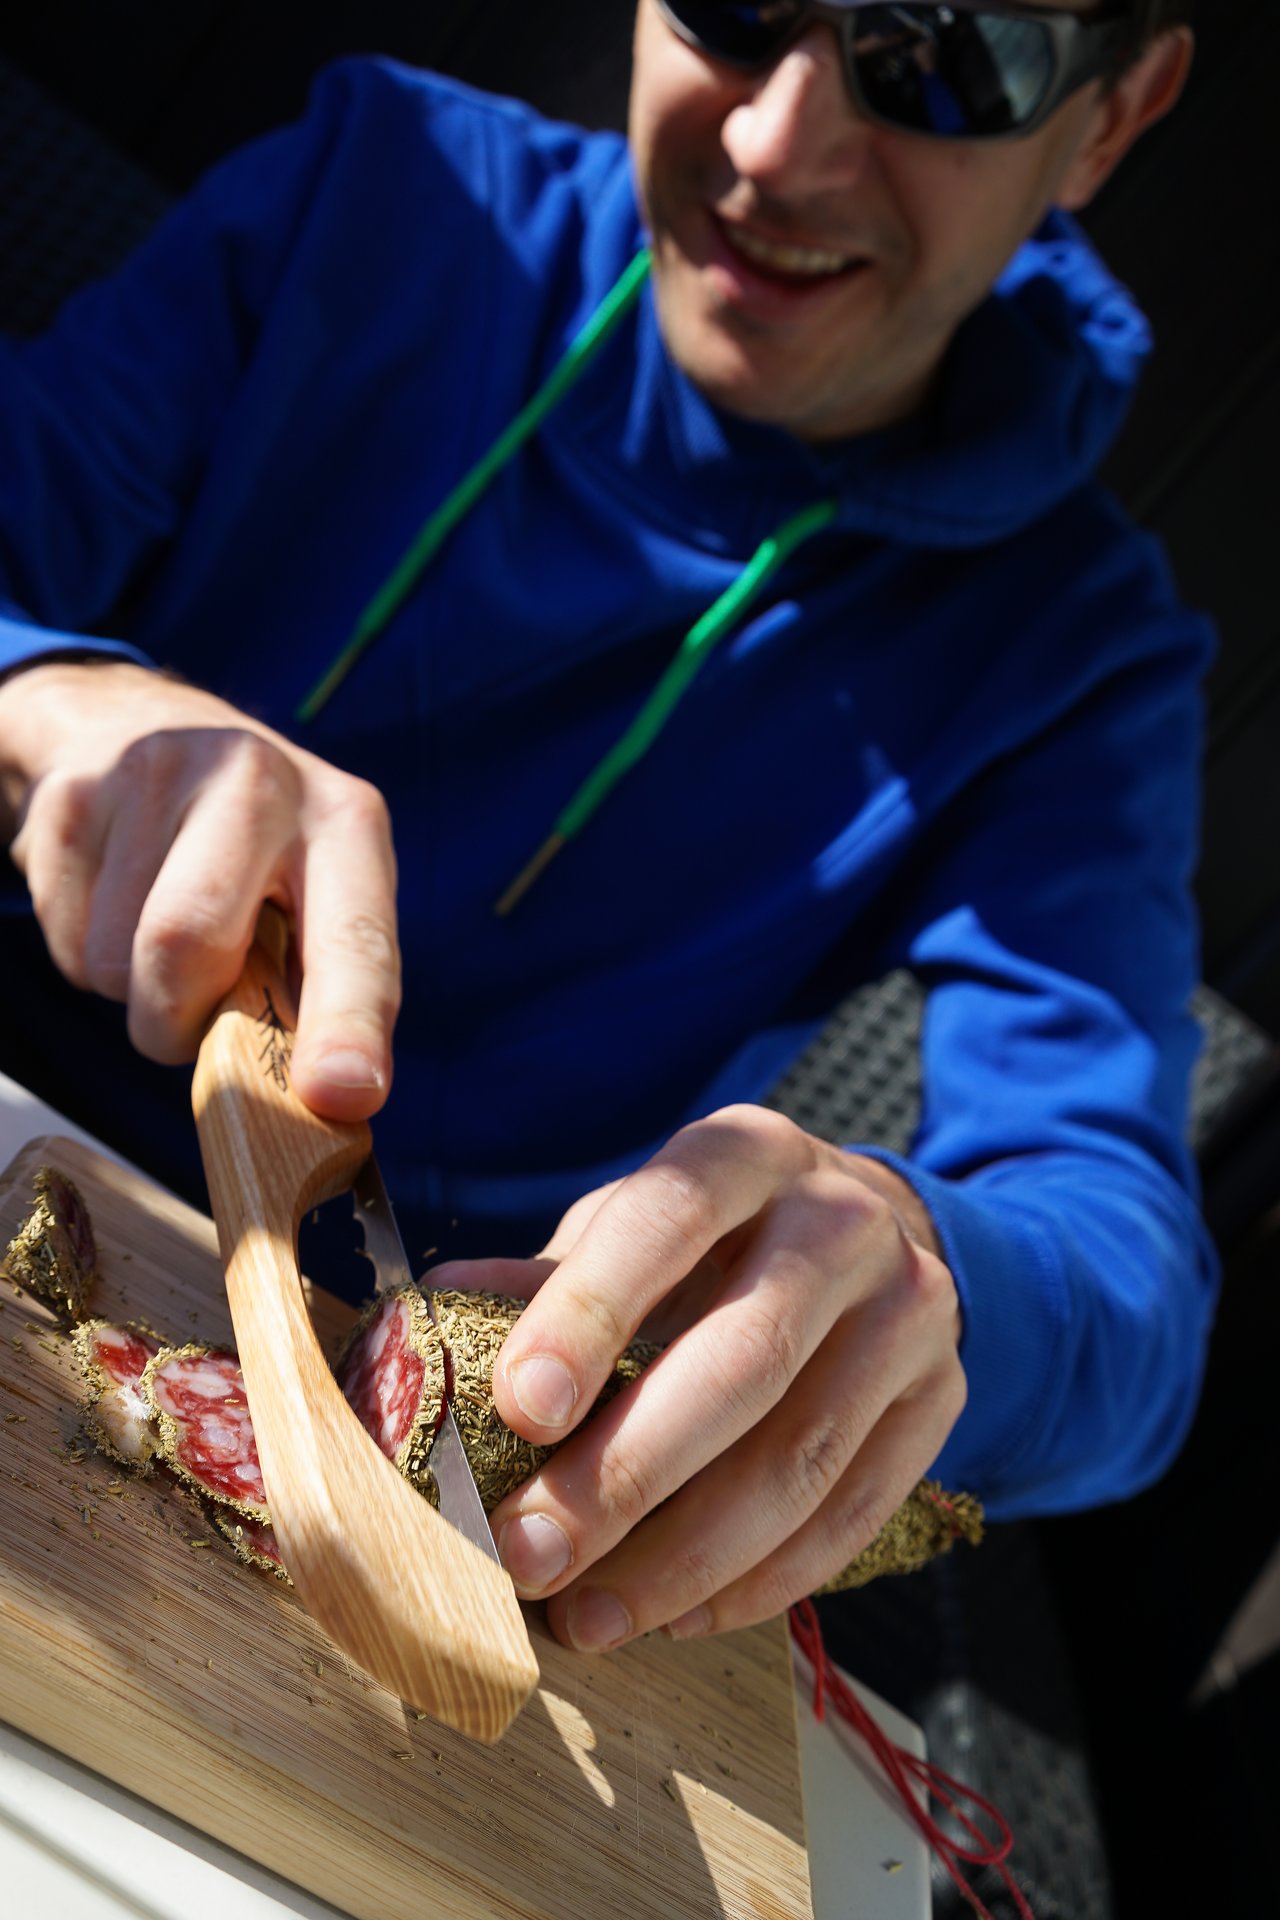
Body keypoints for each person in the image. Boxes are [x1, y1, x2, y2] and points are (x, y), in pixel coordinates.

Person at [0, 0, 1215, 1657]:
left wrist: (927, 1269)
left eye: (945, 54)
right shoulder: (388, 188)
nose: (777, 144)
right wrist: (46, 697)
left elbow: (1126, 1291)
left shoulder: (1072, 661)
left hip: (406, 1370)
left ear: (1110, 114)